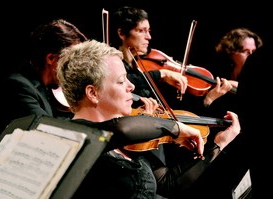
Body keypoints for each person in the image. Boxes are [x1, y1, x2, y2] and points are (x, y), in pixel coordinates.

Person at [56, 39, 241, 199]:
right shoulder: (78, 138)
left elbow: (168, 184)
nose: (131, 86)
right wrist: (175, 127)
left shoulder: (133, 137)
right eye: (121, 81)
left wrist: (217, 145)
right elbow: (120, 130)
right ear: (92, 93)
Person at [0, 19, 88, 170]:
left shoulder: (44, 85)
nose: (74, 67)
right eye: (71, 60)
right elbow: (51, 132)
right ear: (51, 59)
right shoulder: (17, 86)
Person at [236, 35, 271, 198]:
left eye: (252, 50)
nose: (249, 54)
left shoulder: (256, 61)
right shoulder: (257, 62)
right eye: (245, 51)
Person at [202, 27, 263, 117]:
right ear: (231, 53)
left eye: (253, 51)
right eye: (245, 51)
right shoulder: (217, 76)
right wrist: (209, 99)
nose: (251, 55)